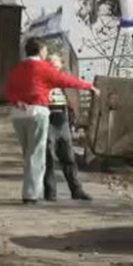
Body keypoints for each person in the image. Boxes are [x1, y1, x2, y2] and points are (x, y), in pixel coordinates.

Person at [3, 38, 98, 204]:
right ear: (40, 51)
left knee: (30, 155)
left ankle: (34, 192)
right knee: (37, 156)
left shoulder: (17, 69)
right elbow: (68, 80)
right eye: (45, 51)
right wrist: (89, 86)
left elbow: (8, 89)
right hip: (38, 113)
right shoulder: (43, 68)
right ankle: (32, 195)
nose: (46, 54)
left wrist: (17, 101)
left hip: (19, 115)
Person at [43, 51, 90, 201]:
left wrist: (74, 118)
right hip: (47, 119)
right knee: (48, 158)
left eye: (55, 62)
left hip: (62, 120)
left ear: (61, 65)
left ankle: (76, 190)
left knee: (69, 157)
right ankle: (50, 192)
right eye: (50, 62)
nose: (53, 65)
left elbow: (72, 101)